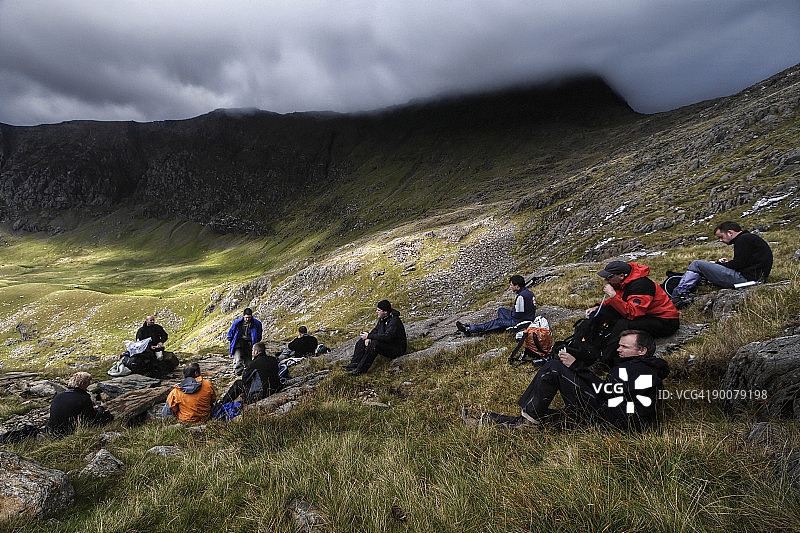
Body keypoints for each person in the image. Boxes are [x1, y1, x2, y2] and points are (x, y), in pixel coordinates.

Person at [477, 330, 668, 432]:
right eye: (619, 346)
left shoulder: (639, 369)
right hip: (614, 416)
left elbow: (606, 392)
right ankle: (492, 419)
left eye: (624, 347)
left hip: (612, 422)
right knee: (550, 418)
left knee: (554, 368)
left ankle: (525, 422)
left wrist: (576, 366)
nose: (619, 350)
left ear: (642, 350)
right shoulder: (645, 367)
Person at [585, 261, 679, 365]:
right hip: (647, 315)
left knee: (623, 325)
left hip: (665, 321)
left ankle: (608, 361)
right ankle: (589, 347)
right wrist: (598, 306)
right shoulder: (624, 282)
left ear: (621, 275)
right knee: (603, 312)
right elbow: (622, 300)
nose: (606, 280)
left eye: (609, 277)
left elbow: (633, 313)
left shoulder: (642, 285)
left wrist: (613, 295)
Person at [671, 221, 773, 308]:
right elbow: (744, 262)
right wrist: (725, 264)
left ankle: (677, 297)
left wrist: (718, 264)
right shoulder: (749, 238)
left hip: (746, 280)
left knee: (696, 264)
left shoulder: (743, 240)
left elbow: (739, 263)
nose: (720, 240)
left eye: (721, 237)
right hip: (754, 278)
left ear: (730, 233)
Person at [342, 300, 407, 376]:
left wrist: (370, 336)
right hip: (388, 344)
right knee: (362, 341)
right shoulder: (384, 318)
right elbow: (376, 330)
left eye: (378, 310)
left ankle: (360, 371)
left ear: (385, 311)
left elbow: (388, 337)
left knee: (374, 345)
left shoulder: (394, 321)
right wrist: (368, 337)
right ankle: (354, 364)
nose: (376, 312)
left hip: (397, 349)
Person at [456, 275, 537, 336]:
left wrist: (511, 316)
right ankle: (502, 328)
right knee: (501, 310)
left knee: (496, 322)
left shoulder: (521, 297)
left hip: (520, 321)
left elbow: (518, 314)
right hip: (527, 317)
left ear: (517, 286)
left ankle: (469, 329)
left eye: (511, 285)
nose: (510, 287)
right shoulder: (529, 293)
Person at [45, 372, 113, 437]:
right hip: (68, 432)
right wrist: (101, 408)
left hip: (52, 430)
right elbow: (92, 418)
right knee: (108, 416)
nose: (90, 384)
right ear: (83, 384)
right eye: (89, 382)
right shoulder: (84, 398)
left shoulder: (59, 396)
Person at [227, 307, 263, 376]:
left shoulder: (256, 323)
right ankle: (238, 373)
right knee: (238, 359)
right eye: (246, 317)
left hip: (249, 343)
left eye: (249, 317)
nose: (247, 319)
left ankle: (247, 374)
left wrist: (256, 341)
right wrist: (230, 339)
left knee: (249, 361)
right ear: (243, 316)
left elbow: (259, 333)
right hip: (239, 342)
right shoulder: (237, 323)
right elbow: (231, 331)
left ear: (251, 316)